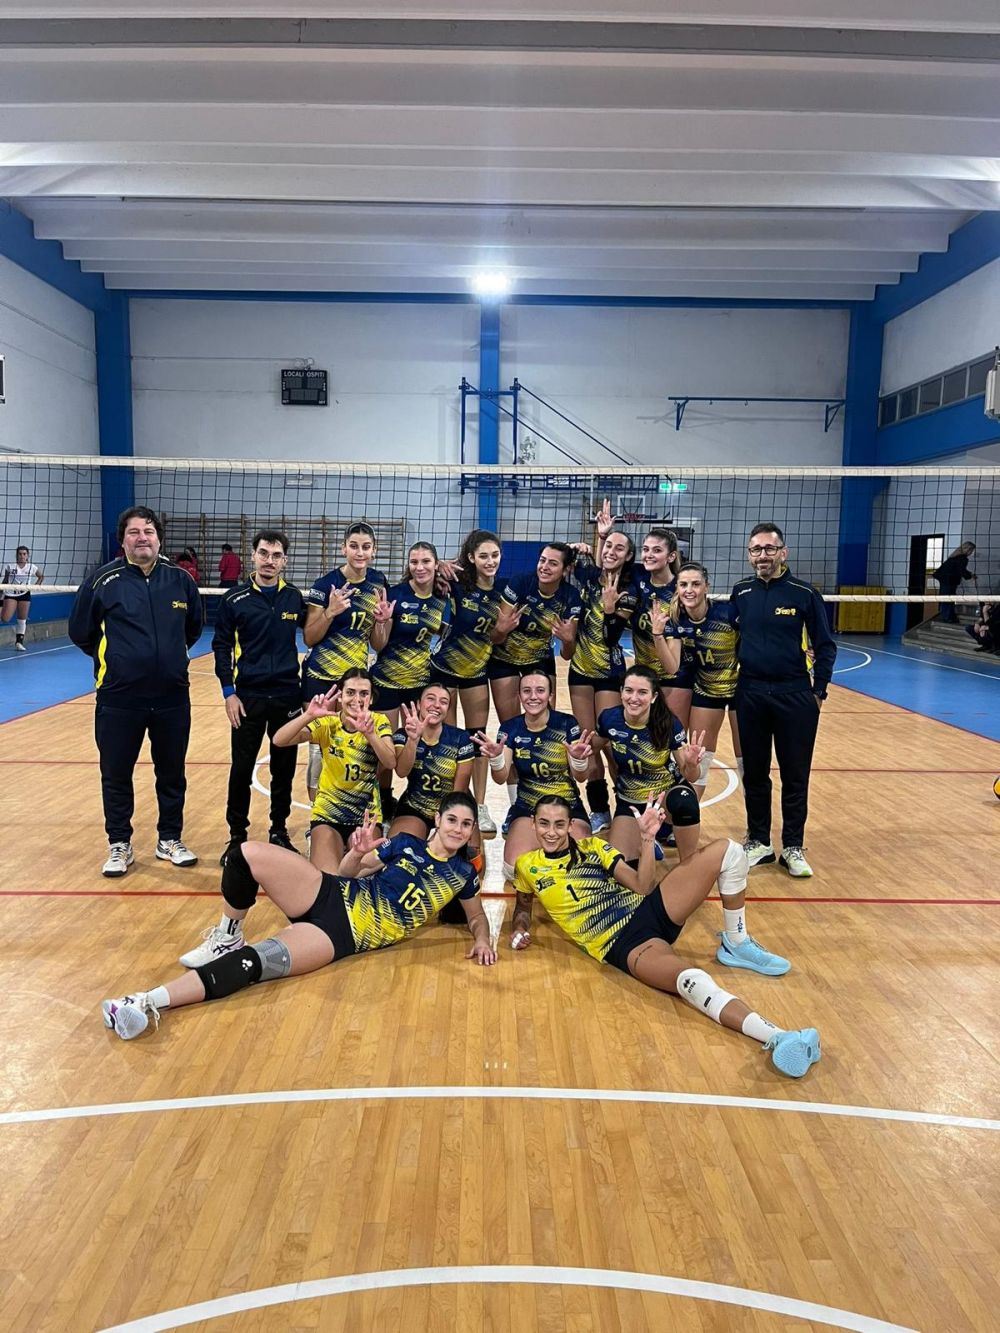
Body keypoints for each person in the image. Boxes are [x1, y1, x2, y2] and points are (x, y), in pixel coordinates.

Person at [101, 792, 497, 1039]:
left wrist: (482, 939)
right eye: (452, 820)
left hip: (343, 935)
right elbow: (347, 872)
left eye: (466, 824)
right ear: (437, 820)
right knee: (245, 855)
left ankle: (144, 1002)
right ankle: (228, 933)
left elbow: (477, 916)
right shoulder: (405, 842)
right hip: (331, 891)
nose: (459, 829)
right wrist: (357, 852)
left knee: (255, 963)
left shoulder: (462, 873)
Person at [507, 795, 819, 1078]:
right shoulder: (527, 866)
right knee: (691, 981)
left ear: (570, 826)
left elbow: (642, 886)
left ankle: (736, 943)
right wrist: (520, 928)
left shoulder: (593, 848)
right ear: (533, 824)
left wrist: (646, 839)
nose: (551, 832)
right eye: (544, 823)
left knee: (730, 851)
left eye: (559, 824)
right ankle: (778, 1036)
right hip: (624, 943)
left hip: (649, 910)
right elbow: (522, 908)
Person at [68, 506, 203, 877]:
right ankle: (119, 844)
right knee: (115, 773)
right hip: (119, 698)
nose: (142, 538)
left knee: (172, 773)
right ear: (122, 539)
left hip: (172, 697)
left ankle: (169, 839)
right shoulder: (102, 581)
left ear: (159, 538)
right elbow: (81, 631)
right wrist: (117, 660)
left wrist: (166, 659)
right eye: (134, 532)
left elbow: (192, 628)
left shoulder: (181, 581)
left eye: (148, 531)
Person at [731, 523, 837, 879]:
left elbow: (825, 645)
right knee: (755, 774)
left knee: (795, 775)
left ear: (783, 553)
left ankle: (792, 846)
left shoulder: (804, 593)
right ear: (749, 555)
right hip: (750, 693)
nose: (762, 555)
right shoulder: (741, 592)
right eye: (756, 550)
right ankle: (760, 842)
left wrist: (818, 691)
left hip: (794, 695)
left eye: (769, 549)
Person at [212, 529, 306, 866]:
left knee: (284, 769)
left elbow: (316, 634)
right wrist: (229, 692)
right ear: (253, 556)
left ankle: (279, 830)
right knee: (241, 768)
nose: (269, 561)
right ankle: (237, 835)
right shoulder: (234, 599)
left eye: (276, 555)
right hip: (248, 696)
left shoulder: (294, 598)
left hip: (287, 695)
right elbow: (221, 647)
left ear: (285, 561)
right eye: (264, 553)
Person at [473, 670, 593, 889]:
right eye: (527, 691)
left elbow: (581, 776)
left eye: (540, 690)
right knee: (513, 869)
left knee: (584, 868)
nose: (533, 696)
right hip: (528, 808)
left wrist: (578, 761)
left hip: (567, 806)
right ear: (519, 696)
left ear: (550, 695)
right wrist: (496, 759)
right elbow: (500, 778)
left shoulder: (566, 723)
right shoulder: (510, 728)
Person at [272, 669, 396, 873]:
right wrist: (308, 716)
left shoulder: (378, 721)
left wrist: (370, 734)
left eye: (364, 693)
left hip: (365, 815)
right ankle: (317, 839)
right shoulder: (329, 723)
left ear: (372, 698)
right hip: (328, 813)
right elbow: (279, 740)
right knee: (329, 879)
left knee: (361, 879)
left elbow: (390, 762)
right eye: (350, 692)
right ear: (340, 695)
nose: (357, 699)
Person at [301, 521, 391, 799]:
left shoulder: (378, 583)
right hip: (321, 678)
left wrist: (380, 622)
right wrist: (330, 612)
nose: (360, 552)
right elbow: (309, 638)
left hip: (355, 682)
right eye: (354, 546)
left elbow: (378, 644)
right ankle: (317, 813)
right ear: (343, 549)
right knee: (318, 750)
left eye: (366, 547)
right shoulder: (325, 585)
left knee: (356, 747)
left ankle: (353, 808)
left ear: (374, 550)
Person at [429, 528, 506, 835]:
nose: (490, 561)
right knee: (448, 740)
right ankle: (450, 803)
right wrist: (438, 565)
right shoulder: (458, 584)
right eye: (483, 556)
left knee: (478, 740)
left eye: (495, 555)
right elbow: (424, 575)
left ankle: (480, 806)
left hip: (476, 672)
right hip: (444, 670)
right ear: (471, 558)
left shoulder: (505, 592)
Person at [594, 664, 704, 863]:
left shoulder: (668, 723)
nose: (634, 698)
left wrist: (692, 764)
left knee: (685, 803)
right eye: (629, 690)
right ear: (621, 692)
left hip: (664, 795)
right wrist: (579, 754)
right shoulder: (609, 719)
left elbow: (691, 776)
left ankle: (688, 865)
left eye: (642, 692)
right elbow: (592, 748)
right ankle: (647, 843)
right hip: (630, 799)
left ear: (654, 697)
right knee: (622, 865)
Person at [566, 523, 637, 833]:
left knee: (610, 743)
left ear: (628, 556)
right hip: (580, 672)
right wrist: (578, 546)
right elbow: (559, 558)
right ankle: (599, 810)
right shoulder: (588, 576)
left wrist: (609, 608)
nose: (611, 552)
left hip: (608, 674)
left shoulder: (629, 592)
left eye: (619, 548)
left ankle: (628, 807)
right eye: (608, 546)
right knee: (587, 741)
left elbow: (611, 638)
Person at [371, 541, 448, 822]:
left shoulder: (442, 599)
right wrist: (382, 621)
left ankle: (416, 799)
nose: (419, 567)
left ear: (436, 565)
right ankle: (383, 800)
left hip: (420, 685)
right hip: (387, 683)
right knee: (386, 750)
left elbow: (441, 632)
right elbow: (378, 645)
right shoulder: (396, 595)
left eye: (426, 561)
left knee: (419, 744)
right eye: (414, 562)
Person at [650, 562, 742, 798]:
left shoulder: (728, 613)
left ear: (706, 587)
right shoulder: (677, 620)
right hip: (706, 692)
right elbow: (672, 667)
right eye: (683, 585)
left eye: (695, 584)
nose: (689, 590)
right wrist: (657, 635)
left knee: (747, 761)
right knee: (698, 760)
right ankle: (689, 814)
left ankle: (756, 819)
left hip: (740, 691)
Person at [2, 544, 44, 651]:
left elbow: (41, 576)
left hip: (25, 594)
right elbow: (5, 580)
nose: (22, 556)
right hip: (11, 593)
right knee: (5, 619)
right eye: (20, 554)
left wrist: (35, 586)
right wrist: (1, 591)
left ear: (27, 556)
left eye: (24, 554)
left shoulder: (31, 567)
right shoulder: (10, 566)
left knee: (22, 619)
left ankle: (19, 643)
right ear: (17, 555)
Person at [934, 542, 977, 624]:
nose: (972, 553)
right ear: (968, 550)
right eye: (972, 550)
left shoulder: (954, 557)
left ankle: (948, 616)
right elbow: (962, 571)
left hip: (945, 579)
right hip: (949, 581)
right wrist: (971, 576)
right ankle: (947, 617)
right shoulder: (962, 558)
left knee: (947, 598)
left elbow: (959, 569)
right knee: (948, 599)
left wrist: (970, 574)